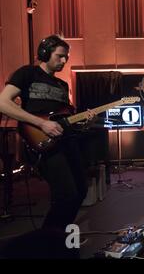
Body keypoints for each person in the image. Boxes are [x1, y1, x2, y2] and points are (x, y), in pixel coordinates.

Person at [0, 35, 94, 231]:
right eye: (60, 56)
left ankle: (60, 233)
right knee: (65, 193)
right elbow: (3, 103)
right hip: (42, 142)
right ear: (44, 53)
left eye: (66, 57)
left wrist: (81, 120)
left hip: (67, 141)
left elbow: (63, 119)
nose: (64, 61)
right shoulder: (27, 74)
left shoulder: (62, 85)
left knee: (81, 190)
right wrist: (40, 124)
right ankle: (49, 237)